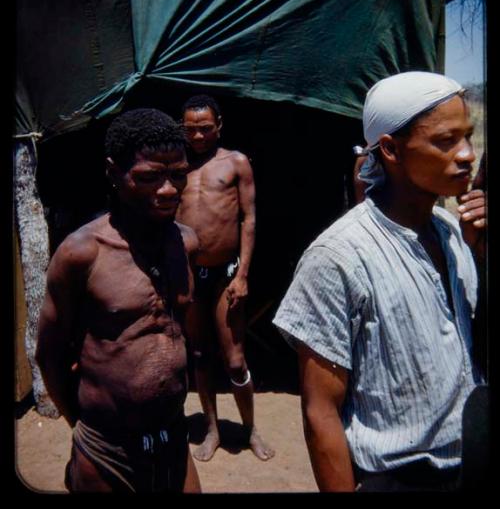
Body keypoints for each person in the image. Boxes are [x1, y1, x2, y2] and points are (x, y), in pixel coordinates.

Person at [272, 72, 486, 492]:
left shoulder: (454, 232)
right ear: (390, 150)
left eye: (468, 137)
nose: (466, 155)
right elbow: (321, 413)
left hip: (468, 464)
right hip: (398, 479)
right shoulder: (338, 258)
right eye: (445, 141)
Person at [36, 108, 202, 493]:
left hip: (174, 436)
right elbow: (50, 354)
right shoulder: (82, 254)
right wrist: (80, 425)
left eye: (178, 175)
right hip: (107, 450)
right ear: (113, 173)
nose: (168, 190)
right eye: (148, 177)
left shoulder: (186, 243)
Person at [175, 94, 274, 462]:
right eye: (189, 129)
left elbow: (249, 219)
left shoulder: (236, 163)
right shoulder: (177, 165)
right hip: (188, 273)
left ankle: (250, 430)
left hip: (227, 274)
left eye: (204, 128)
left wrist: (243, 274)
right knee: (199, 355)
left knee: (234, 360)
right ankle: (213, 429)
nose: (197, 136)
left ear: (218, 125)